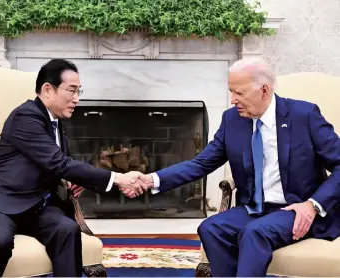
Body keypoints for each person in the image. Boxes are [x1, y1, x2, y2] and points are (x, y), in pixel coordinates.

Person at [123, 57, 340, 276]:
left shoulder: (304, 116)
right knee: (211, 228)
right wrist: (150, 179)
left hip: (296, 208)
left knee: (255, 233)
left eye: (239, 93)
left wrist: (312, 205)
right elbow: (201, 164)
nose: (233, 99)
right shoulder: (232, 120)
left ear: (264, 90)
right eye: (231, 91)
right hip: (255, 208)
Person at [0, 58, 146, 277]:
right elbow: (57, 162)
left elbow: (54, 165)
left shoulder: (56, 122)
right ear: (47, 89)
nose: (77, 99)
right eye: (71, 91)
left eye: (79, 91)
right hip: (0, 203)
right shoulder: (26, 116)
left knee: (67, 229)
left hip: (36, 205)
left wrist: (70, 180)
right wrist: (118, 178)